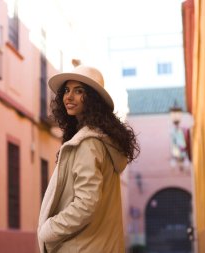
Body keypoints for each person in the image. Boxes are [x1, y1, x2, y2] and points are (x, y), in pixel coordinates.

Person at [37, 65, 140, 253]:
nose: (69, 97)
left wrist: (49, 229)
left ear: (92, 99)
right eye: (67, 91)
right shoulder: (103, 141)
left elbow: (86, 203)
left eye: (79, 91)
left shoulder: (88, 144)